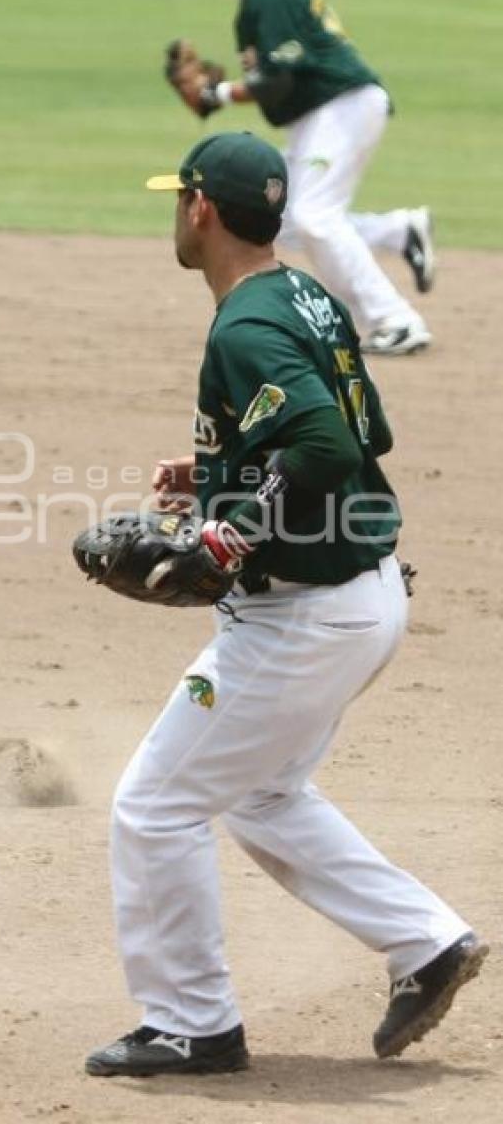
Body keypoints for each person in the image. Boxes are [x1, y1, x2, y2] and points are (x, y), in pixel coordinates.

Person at [85, 131, 486, 1076]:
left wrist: (229, 531)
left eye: (177, 197)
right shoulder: (302, 289)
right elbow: (362, 425)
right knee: (260, 793)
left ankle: (193, 1021)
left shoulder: (247, 324)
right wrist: (222, 470)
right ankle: (425, 942)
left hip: (305, 618)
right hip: (359, 596)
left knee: (154, 808)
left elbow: (327, 445)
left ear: (201, 211)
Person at [182, 0, 434, 356]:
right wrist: (217, 93)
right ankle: (400, 232)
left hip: (342, 106)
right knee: (281, 220)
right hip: (325, 113)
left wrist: (216, 94)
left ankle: (395, 321)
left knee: (315, 216)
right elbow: (276, 85)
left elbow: (279, 76)